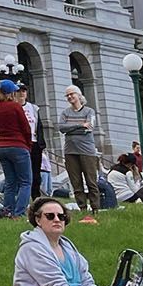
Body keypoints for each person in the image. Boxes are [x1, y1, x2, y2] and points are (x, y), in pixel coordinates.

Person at [12, 196, 141, 286]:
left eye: (61, 216)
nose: (57, 219)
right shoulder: (32, 248)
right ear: (38, 220)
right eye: (50, 216)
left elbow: (87, 284)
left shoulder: (67, 246)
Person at [0, 79, 33, 217]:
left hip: (2, 147)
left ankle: (7, 211)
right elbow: (26, 128)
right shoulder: (15, 107)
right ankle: (19, 213)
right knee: (25, 182)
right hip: (18, 146)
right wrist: (28, 145)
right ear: (11, 93)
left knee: (10, 182)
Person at [58, 88, 101, 222]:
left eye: (72, 94)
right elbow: (61, 128)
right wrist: (80, 125)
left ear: (79, 95)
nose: (70, 97)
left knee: (91, 181)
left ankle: (95, 208)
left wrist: (71, 128)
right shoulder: (65, 112)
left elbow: (89, 128)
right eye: (67, 95)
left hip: (87, 151)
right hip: (70, 151)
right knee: (76, 182)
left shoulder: (89, 111)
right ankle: (82, 207)